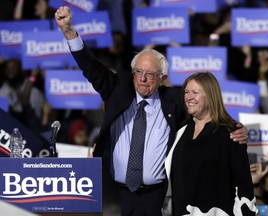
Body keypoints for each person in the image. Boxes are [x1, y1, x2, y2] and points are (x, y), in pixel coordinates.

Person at [55, 6, 249, 216]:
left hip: (158, 197)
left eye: (150, 74)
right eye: (138, 72)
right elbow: (91, 67)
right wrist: (69, 32)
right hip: (114, 195)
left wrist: (235, 128)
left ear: (162, 78)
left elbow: (207, 110)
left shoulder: (175, 100)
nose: (142, 79)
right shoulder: (118, 90)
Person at [163, 72, 257, 216]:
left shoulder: (231, 132)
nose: (189, 97)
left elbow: (243, 183)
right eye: (187, 92)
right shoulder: (181, 130)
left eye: (195, 92)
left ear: (211, 95)